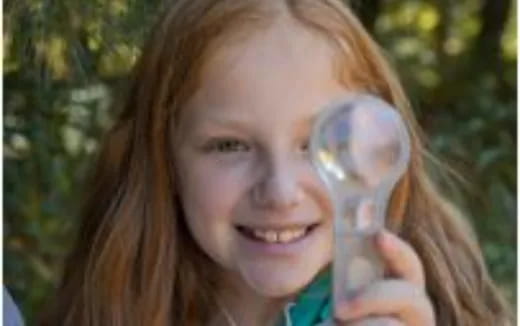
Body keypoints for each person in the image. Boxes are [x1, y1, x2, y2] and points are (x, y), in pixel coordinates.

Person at [41, 0, 513, 325]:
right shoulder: (115, 305)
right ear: (164, 159)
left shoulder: (422, 312)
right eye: (229, 146)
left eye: (316, 144)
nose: (281, 191)